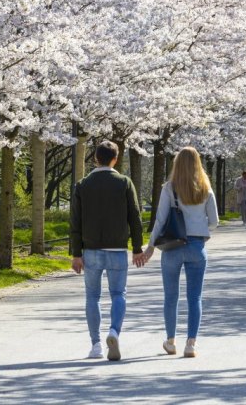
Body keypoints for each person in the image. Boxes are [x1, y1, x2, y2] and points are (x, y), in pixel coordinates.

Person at [70, 140, 145, 361]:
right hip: (117, 249)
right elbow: (135, 218)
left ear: (95, 158)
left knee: (92, 296)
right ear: (116, 158)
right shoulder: (124, 182)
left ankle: (95, 345)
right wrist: (137, 248)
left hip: (91, 249)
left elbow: (75, 221)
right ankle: (114, 331)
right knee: (118, 294)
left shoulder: (82, 185)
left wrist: (76, 253)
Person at [142, 147, 219, 358]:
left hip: (173, 247)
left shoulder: (169, 188)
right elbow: (214, 222)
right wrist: (201, 229)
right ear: (198, 163)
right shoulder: (206, 189)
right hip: (196, 247)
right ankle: (191, 344)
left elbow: (160, 220)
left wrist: (150, 247)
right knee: (195, 297)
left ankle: (170, 341)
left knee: (171, 296)